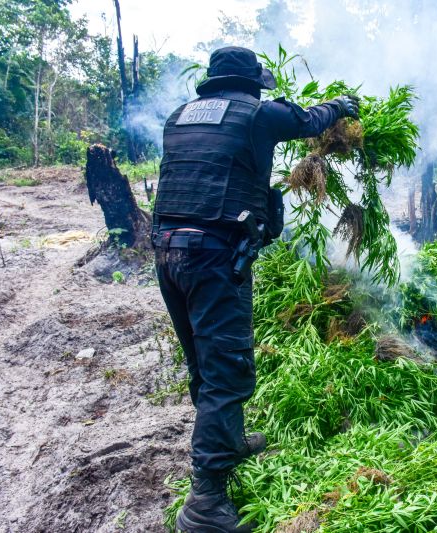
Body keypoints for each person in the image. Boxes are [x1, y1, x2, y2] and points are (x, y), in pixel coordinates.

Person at [151, 46, 359, 533]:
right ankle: (205, 504)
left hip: (167, 255)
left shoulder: (179, 117)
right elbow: (307, 120)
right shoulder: (257, 113)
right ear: (251, 85)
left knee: (203, 364)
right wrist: (342, 105)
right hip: (213, 259)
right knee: (228, 373)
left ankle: (230, 439)